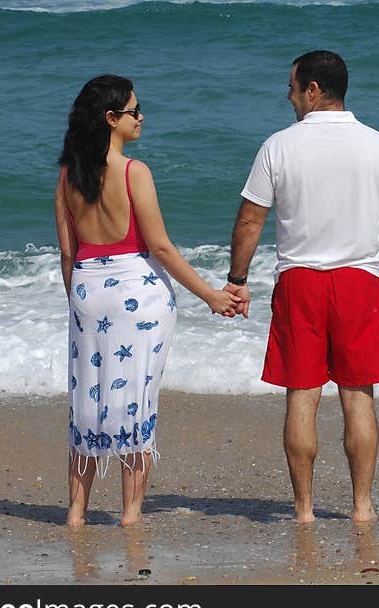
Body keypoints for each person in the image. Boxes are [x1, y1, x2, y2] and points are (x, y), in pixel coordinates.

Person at [225, 51, 379, 523]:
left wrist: (237, 280)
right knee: (358, 396)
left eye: (291, 86)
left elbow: (250, 219)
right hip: (358, 279)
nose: (287, 96)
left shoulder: (279, 146)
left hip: (299, 281)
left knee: (302, 396)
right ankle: (362, 507)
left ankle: (304, 510)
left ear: (312, 89)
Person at [54, 75, 240, 527]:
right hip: (137, 292)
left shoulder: (67, 174)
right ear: (111, 119)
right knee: (134, 400)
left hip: (87, 290)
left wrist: (80, 303)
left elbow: (67, 252)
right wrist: (212, 295)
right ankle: (130, 513)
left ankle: (77, 512)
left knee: (90, 403)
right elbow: (160, 247)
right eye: (135, 111)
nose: (142, 117)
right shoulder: (134, 172)